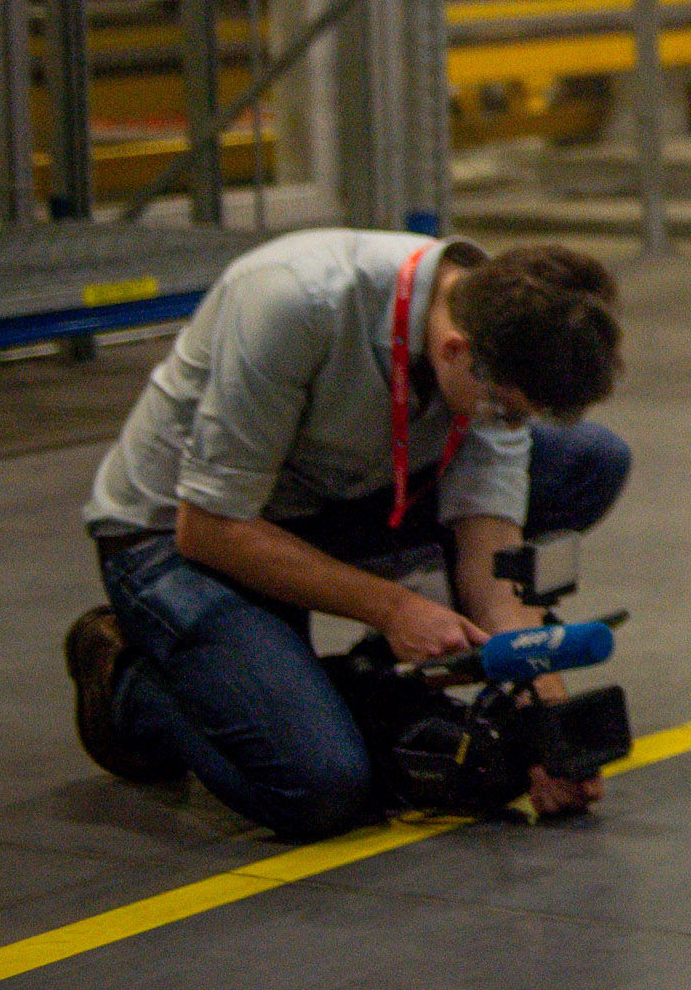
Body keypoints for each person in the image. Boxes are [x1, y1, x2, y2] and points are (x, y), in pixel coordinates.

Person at [63, 231, 628, 839]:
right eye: (510, 411)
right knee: (320, 788)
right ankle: (128, 682)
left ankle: (354, 678)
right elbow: (209, 528)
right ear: (456, 350)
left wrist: (543, 718)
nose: (512, 424)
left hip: (332, 500)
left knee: (582, 459)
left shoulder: (505, 329)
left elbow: (491, 560)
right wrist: (395, 607)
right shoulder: (294, 301)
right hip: (179, 536)